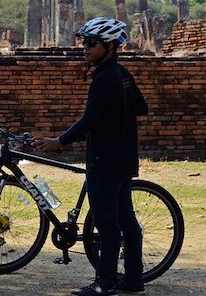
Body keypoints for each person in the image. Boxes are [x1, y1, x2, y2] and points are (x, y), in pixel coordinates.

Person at [36, 17, 148, 296]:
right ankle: (134, 280)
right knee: (127, 222)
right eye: (84, 43)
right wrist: (116, 119)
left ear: (109, 46)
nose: (84, 48)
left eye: (91, 43)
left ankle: (105, 283)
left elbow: (89, 120)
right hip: (123, 159)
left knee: (107, 224)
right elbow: (141, 107)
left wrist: (58, 141)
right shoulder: (122, 73)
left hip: (104, 161)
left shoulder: (104, 77)